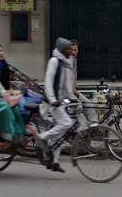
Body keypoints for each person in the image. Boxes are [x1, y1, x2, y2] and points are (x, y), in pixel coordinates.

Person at [36, 37, 78, 173]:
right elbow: (48, 82)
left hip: (60, 102)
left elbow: (66, 84)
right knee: (67, 123)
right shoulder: (54, 61)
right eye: (68, 49)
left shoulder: (67, 62)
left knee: (61, 133)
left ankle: (55, 161)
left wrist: (72, 98)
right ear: (62, 50)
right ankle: (42, 138)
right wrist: (52, 100)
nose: (71, 52)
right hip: (50, 103)